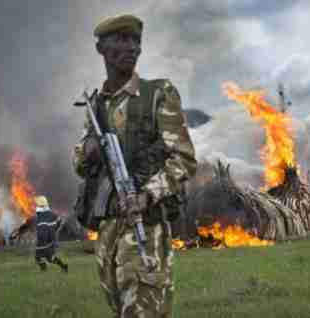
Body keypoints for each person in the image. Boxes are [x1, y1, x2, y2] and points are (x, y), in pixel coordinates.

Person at [73, 14, 197, 318]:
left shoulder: (158, 94)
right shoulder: (96, 106)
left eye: (136, 41)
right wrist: (87, 151)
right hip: (108, 230)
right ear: (102, 48)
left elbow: (184, 159)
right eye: (121, 40)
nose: (132, 48)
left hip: (145, 224)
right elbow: (80, 165)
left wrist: (147, 194)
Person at [34, 195, 68, 273]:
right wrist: (55, 230)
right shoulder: (51, 214)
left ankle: (44, 269)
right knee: (50, 257)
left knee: (38, 257)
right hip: (51, 240)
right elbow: (59, 221)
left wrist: (41, 239)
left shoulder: (40, 216)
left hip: (43, 240)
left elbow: (41, 228)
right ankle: (64, 266)